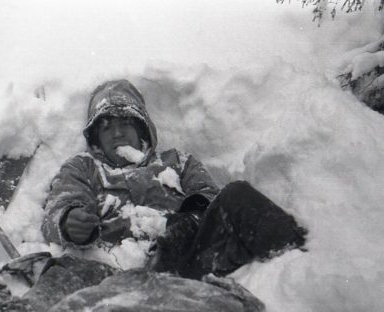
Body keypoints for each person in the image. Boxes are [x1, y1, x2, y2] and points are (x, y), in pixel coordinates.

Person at [42, 79, 307, 279]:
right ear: (96, 138)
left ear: (141, 127)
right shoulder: (84, 166)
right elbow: (62, 201)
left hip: (187, 257)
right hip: (116, 271)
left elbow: (209, 196)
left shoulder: (176, 161)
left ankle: (300, 272)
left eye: (125, 123)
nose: (116, 133)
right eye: (106, 127)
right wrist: (68, 221)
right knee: (56, 274)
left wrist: (188, 219)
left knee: (239, 195)